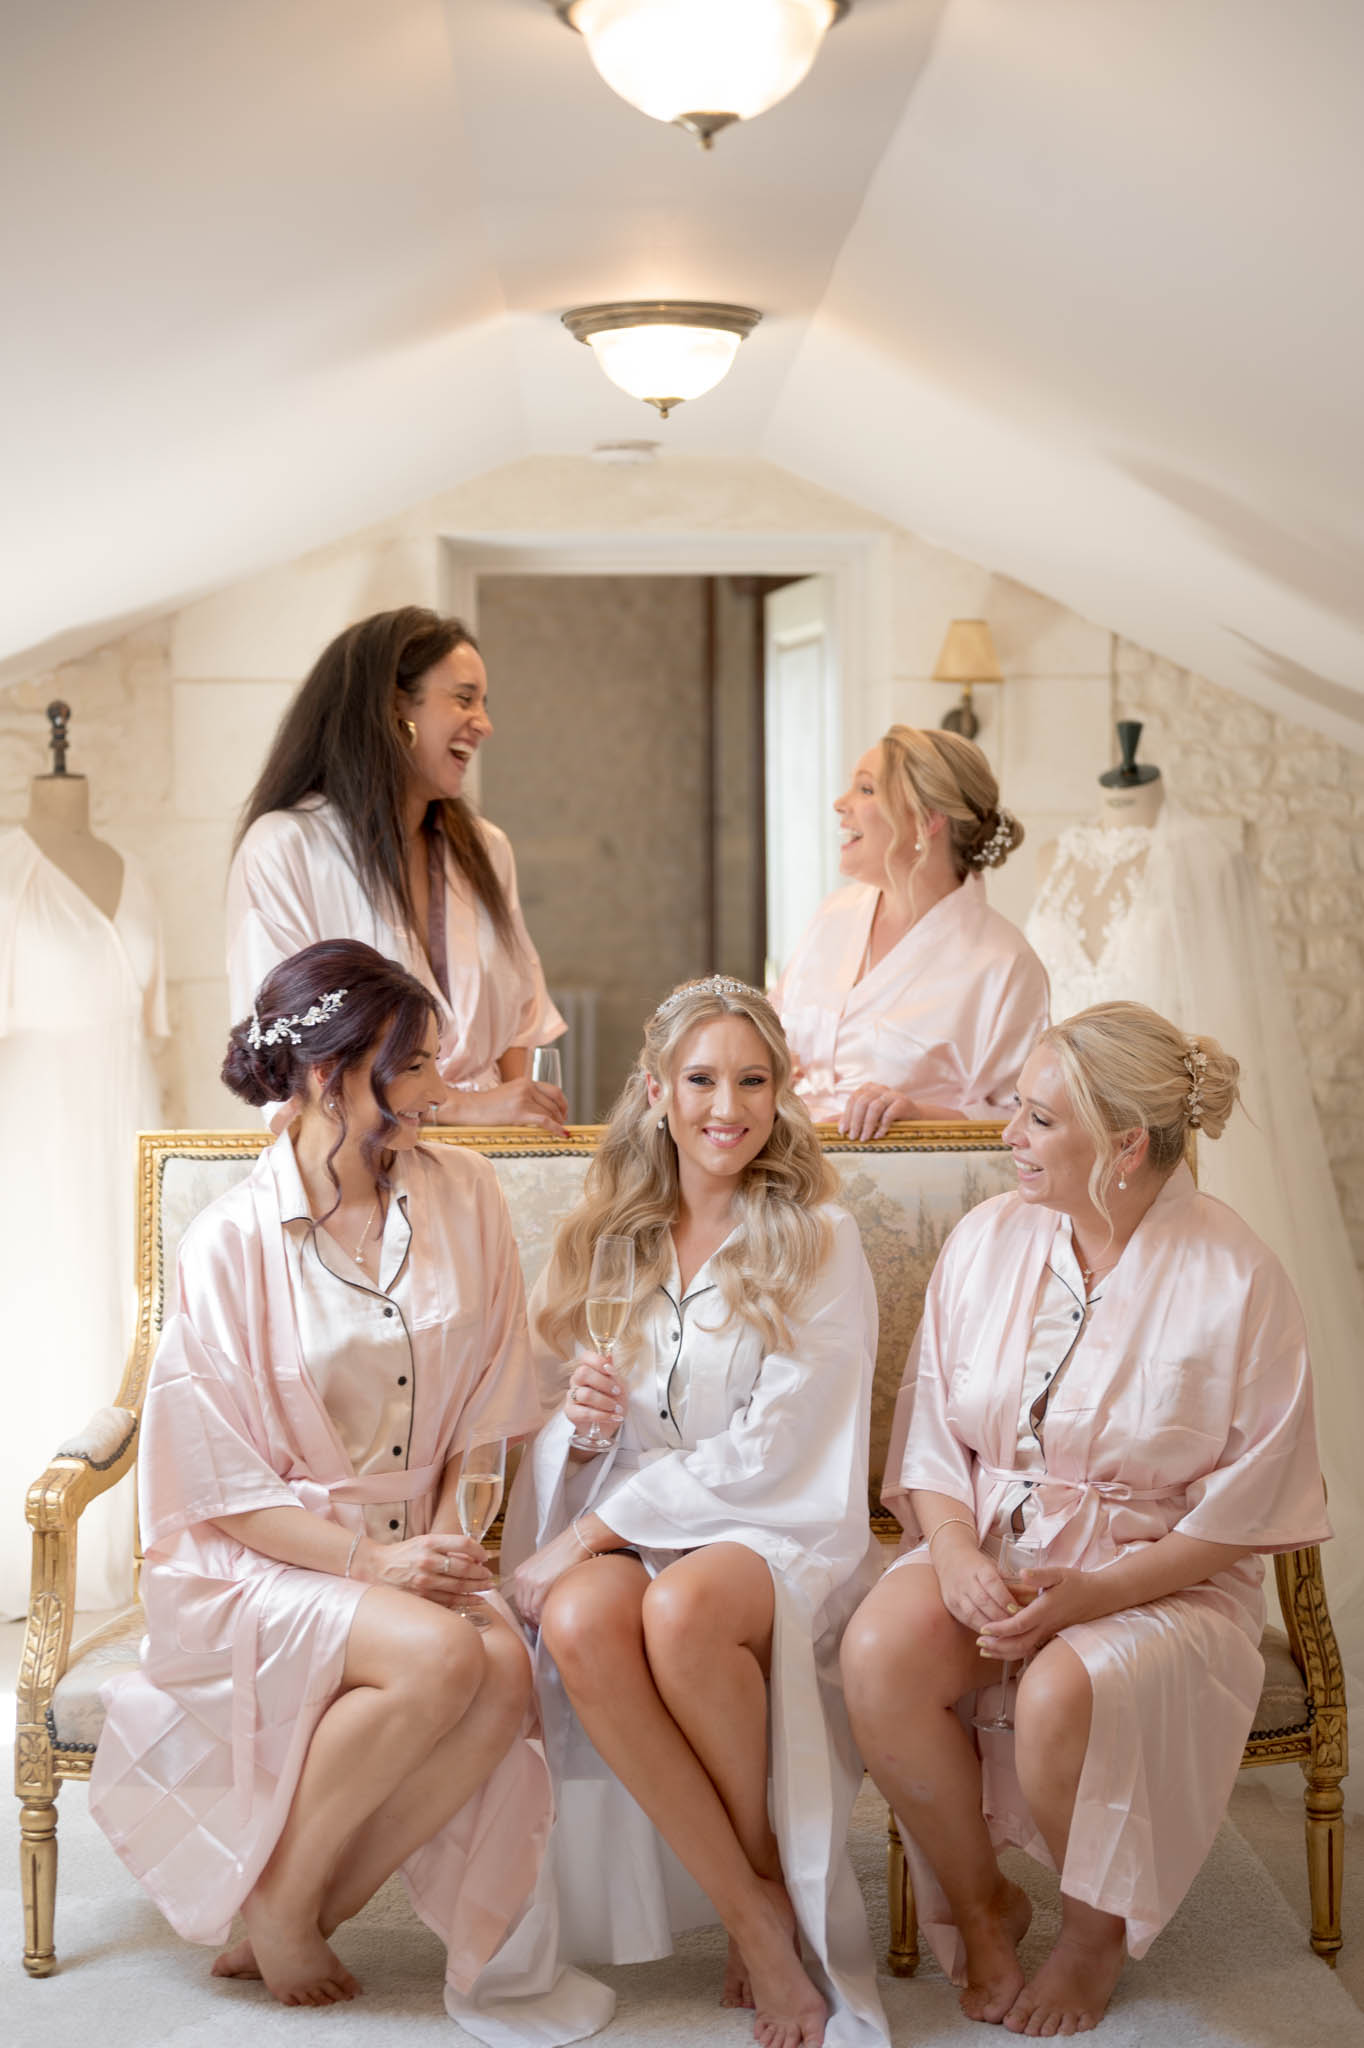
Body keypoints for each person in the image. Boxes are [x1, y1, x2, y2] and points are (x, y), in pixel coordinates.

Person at [88, 940, 610, 2044]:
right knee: (441, 1656)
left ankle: (301, 1905)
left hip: (415, 1544)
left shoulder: (465, 1194)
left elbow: (492, 1401)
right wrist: (374, 1562)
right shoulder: (230, 1243)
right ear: (329, 1076)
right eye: (411, 1067)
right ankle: (283, 1908)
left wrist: (447, 1545)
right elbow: (217, 1483)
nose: (436, 1091)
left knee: (502, 1674)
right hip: (264, 1560)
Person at [841, 1001, 1330, 2035]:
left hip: (1162, 1580)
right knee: (879, 1650)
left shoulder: (1239, 1278)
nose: (1006, 1133)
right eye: (1015, 1108)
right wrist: (953, 1549)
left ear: (1124, 1145)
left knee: (1064, 1689)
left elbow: (1247, 1507)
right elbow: (932, 1433)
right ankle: (982, 1907)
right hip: (990, 1543)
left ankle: (1090, 1933)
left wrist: (1092, 1594)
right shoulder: (984, 1240)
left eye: (1036, 1117)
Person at [503, 976, 888, 2048]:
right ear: (656, 1092)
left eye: (753, 1081)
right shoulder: (611, 1237)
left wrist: (589, 1533)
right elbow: (576, 1426)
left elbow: (780, 1447)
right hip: (637, 1515)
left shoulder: (818, 1237)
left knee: (680, 1615)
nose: (728, 1107)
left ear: (780, 1092)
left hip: (773, 1523)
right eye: (703, 1079)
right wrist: (582, 1430)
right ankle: (754, 1908)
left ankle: (766, 1899)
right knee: (578, 1621)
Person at [227, 607, 567, 1132]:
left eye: (484, 703)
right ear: (392, 708)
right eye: (464, 698)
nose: (484, 724)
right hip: (361, 1162)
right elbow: (287, 1059)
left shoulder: (487, 850)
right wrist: (458, 1109)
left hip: (494, 1163)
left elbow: (520, 1027)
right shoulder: (285, 848)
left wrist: (520, 1135)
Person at [772, 725, 1048, 1139]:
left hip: (898, 1176)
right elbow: (771, 1029)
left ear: (927, 819)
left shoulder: (1003, 964)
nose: (840, 804)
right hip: (780, 1158)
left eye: (866, 789)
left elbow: (1027, 1122)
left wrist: (919, 1115)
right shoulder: (834, 914)